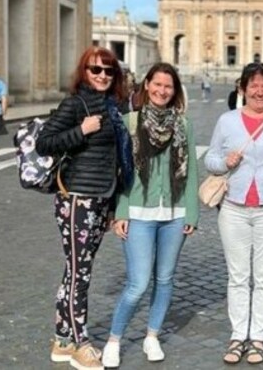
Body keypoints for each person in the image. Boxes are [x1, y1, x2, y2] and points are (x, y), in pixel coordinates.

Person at [36, 46, 132, 370]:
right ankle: (80, 342)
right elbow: (44, 142)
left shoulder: (112, 107)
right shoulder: (74, 104)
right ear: (84, 72)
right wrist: (81, 131)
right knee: (81, 271)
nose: (102, 75)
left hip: (100, 197)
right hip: (76, 198)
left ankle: (62, 338)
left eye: (108, 70)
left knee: (75, 267)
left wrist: (112, 201)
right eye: (96, 70)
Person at [101, 63, 200, 368]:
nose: (162, 90)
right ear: (146, 85)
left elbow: (192, 170)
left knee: (166, 279)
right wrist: (120, 212)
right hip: (139, 213)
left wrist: (192, 214)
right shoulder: (129, 122)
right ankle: (114, 340)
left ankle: (152, 335)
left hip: (174, 212)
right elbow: (121, 172)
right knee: (138, 283)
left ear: (175, 91)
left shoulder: (184, 125)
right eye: (157, 84)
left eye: (168, 86)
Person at [204, 62, 263, 365]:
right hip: (233, 207)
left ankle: (258, 336)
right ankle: (237, 334)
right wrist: (225, 163)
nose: (259, 91)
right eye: (253, 85)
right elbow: (211, 160)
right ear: (242, 89)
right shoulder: (227, 121)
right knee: (238, 276)